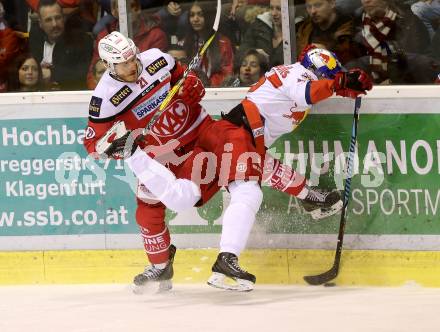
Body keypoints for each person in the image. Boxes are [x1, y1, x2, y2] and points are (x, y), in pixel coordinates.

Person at [104, 44, 373, 291]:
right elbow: (308, 92)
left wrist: (342, 87)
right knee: (247, 193)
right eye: (327, 77)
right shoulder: (297, 75)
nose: (327, 82)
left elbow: (314, 93)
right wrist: (338, 83)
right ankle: (226, 259)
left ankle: (308, 199)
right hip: (236, 132)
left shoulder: (301, 75)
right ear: (314, 72)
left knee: (247, 174)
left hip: (238, 133)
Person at [86, 0, 168, 89]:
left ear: (138, 9)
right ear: (114, 11)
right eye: (122, 7)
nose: (128, 11)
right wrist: (102, 95)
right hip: (114, 94)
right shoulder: (104, 37)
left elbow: (159, 72)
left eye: (132, 6)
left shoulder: (156, 35)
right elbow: (93, 75)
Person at [29, 0, 93, 90]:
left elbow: (83, 72)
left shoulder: (80, 39)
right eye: (48, 20)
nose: (54, 24)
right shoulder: (35, 36)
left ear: (64, 18)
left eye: (58, 18)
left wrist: (52, 74)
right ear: (40, 24)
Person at [181, 0, 234, 87]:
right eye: (192, 15)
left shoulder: (223, 43)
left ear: (209, 16)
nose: (195, 19)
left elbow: (227, 73)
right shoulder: (184, 43)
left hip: (215, 91)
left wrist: (209, 87)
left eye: (200, 15)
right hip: (190, 89)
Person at [296, 0, 357, 65]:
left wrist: (326, 52)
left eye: (318, 5)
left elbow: (351, 62)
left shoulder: (349, 29)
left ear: (332, 4)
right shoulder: (304, 30)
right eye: (309, 7)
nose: (312, 11)